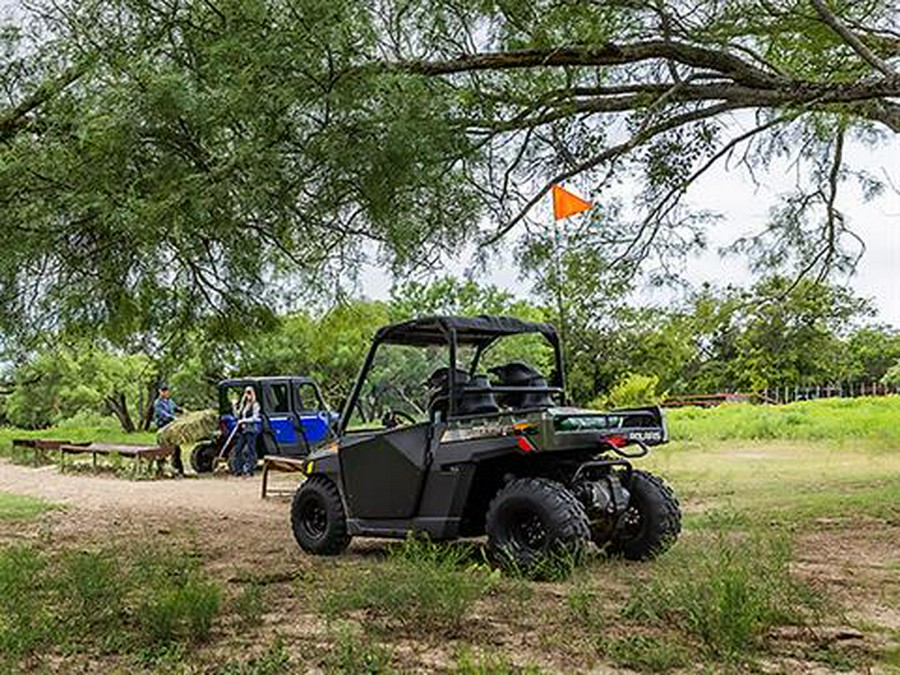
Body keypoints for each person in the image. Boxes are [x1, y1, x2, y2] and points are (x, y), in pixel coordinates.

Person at [153, 384, 185, 476]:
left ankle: (178, 470)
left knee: (176, 449)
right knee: (163, 449)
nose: (165, 392)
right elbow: (162, 414)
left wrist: (182, 410)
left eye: (166, 391)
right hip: (163, 428)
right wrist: (172, 417)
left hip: (172, 428)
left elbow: (175, 408)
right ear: (160, 391)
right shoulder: (158, 403)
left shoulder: (170, 402)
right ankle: (161, 470)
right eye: (163, 391)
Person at [231, 386, 261, 477]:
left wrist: (244, 421)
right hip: (244, 430)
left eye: (249, 393)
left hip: (251, 430)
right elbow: (237, 415)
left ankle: (250, 470)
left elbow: (255, 418)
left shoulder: (255, 405)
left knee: (251, 450)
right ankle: (238, 470)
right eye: (246, 393)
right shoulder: (244, 405)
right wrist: (234, 406)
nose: (248, 395)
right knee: (238, 449)